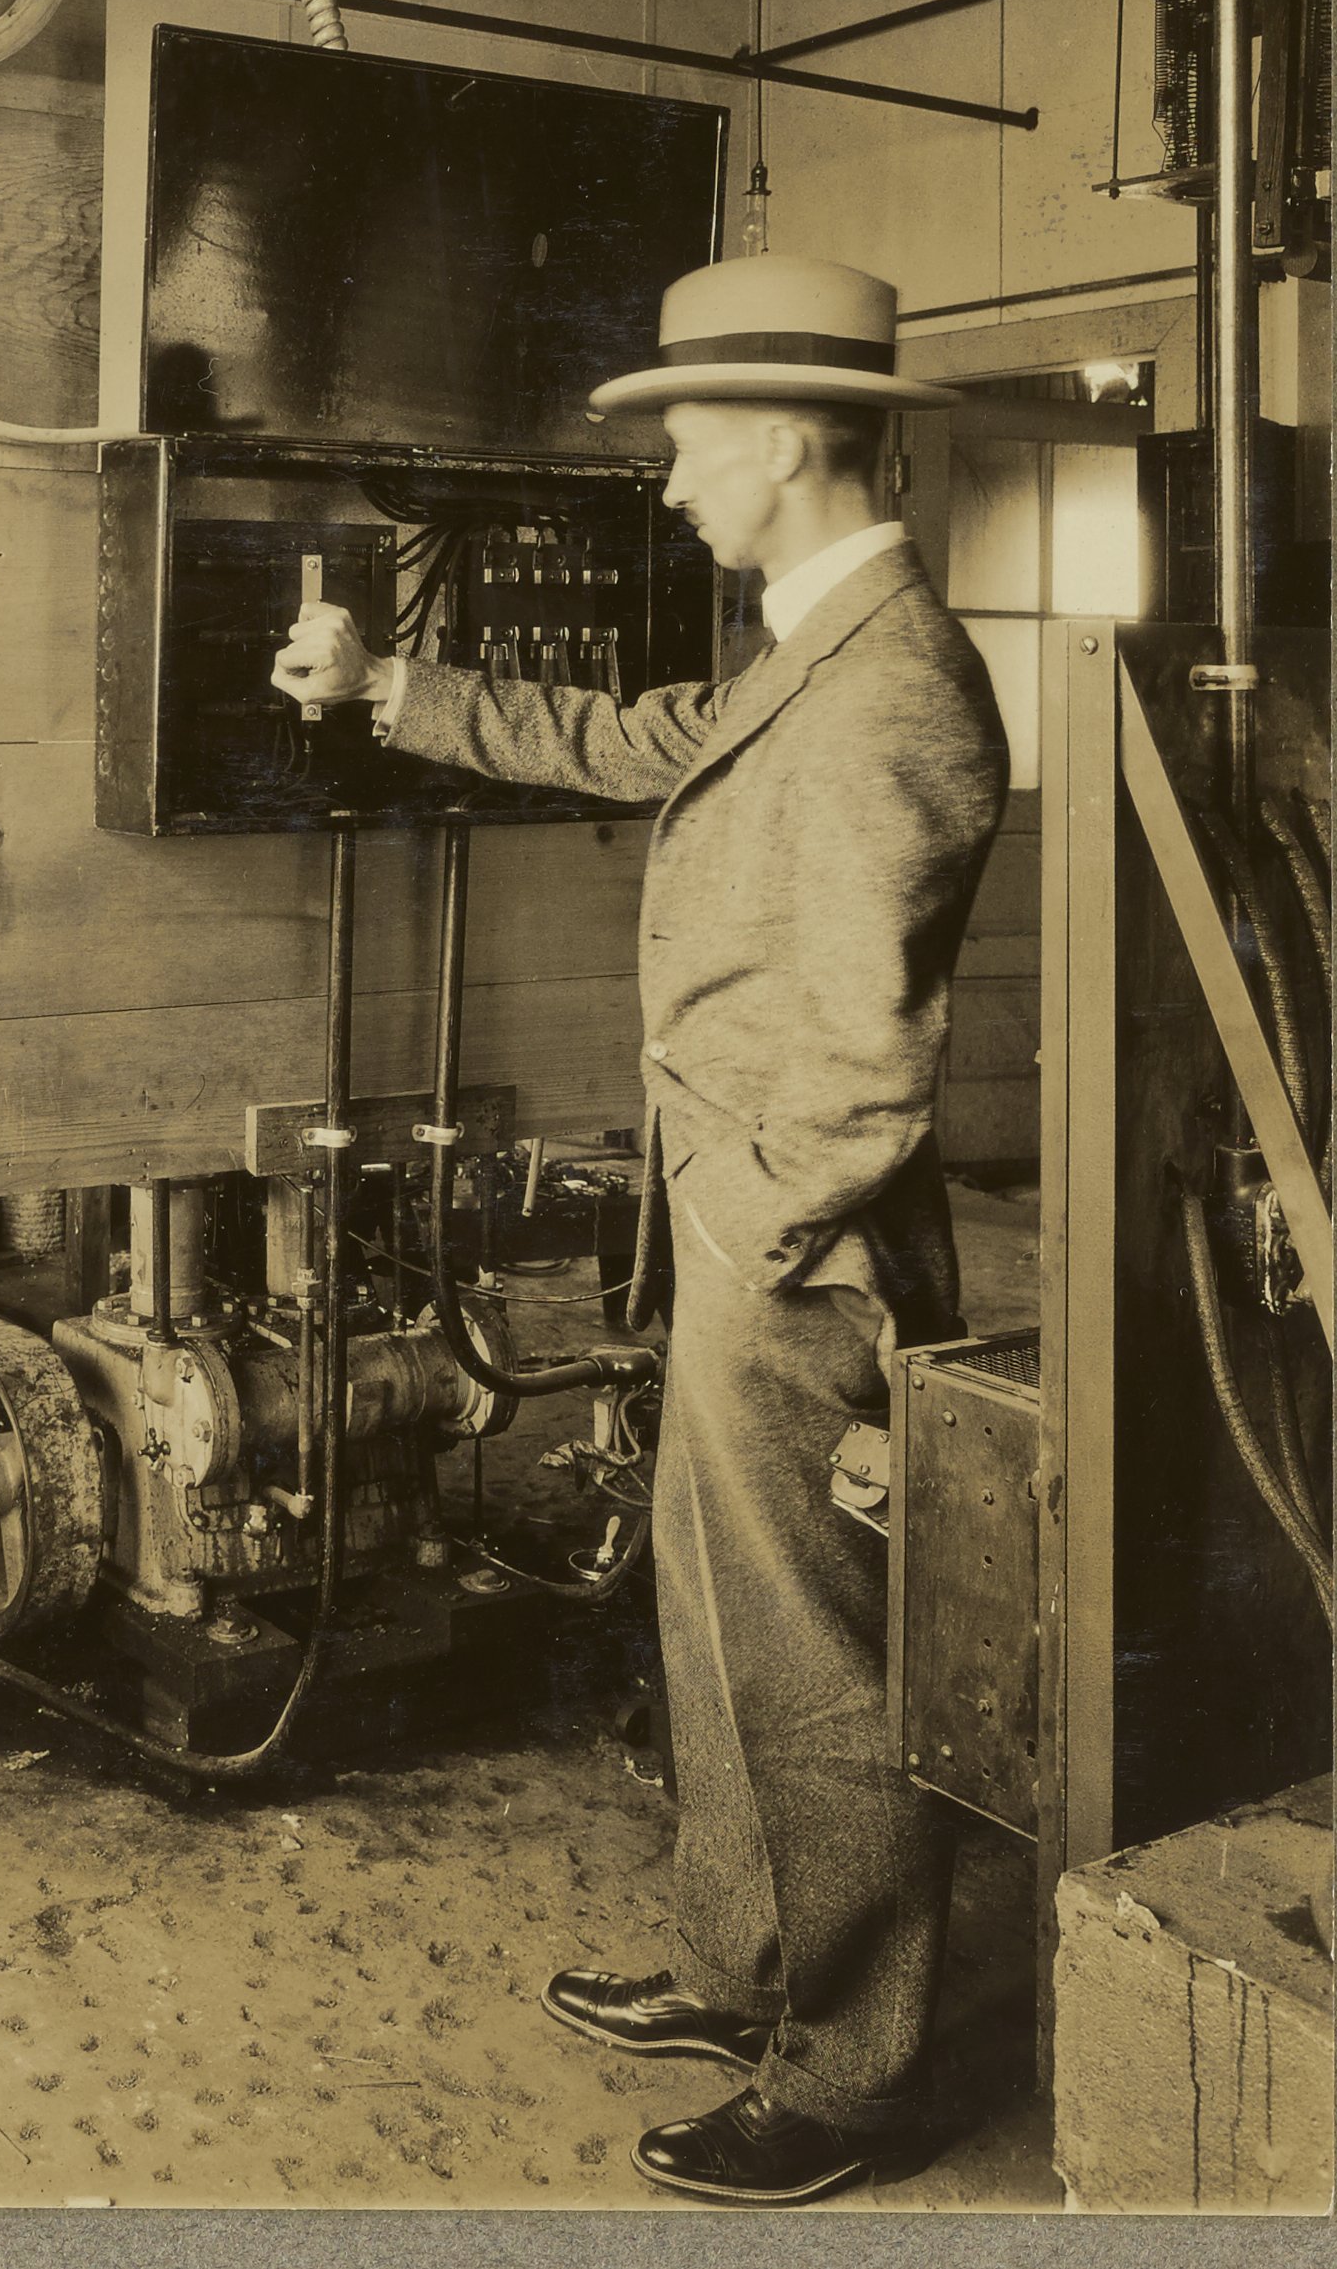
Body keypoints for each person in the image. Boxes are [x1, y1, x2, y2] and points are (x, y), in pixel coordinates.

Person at [272, 250, 1006, 2206]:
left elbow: (865, 1061)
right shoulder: (812, 653)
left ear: (782, 440)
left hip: (796, 1257)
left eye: (689, 443)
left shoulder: (894, 693)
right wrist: (391, 688)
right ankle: (742, 1964)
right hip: (740, 1233)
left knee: (819, 1670)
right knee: (721, 1626)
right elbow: (637, 736)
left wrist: (752, 1242)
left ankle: (853, 2076)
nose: (671, 483)